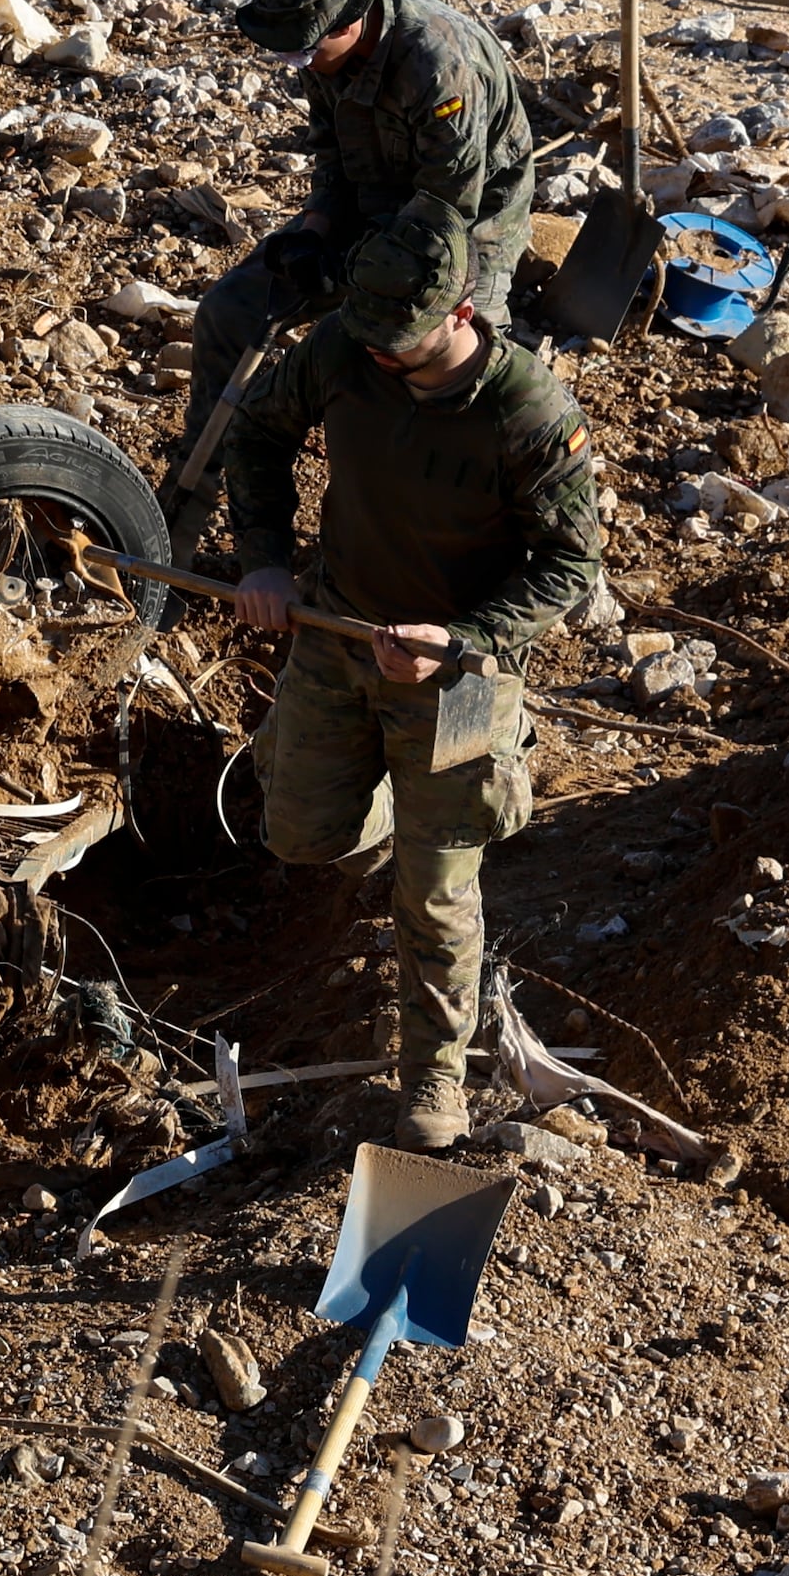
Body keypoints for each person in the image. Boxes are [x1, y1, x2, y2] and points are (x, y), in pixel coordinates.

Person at [216, 289, 603, 1151]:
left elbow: (573, 566)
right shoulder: (347, 343)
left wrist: (460, 640)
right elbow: (258, 432)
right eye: (376, 343)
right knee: (301, 832)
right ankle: (401, 813)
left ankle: (434, 1074)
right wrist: (266, 563)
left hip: (461, 675)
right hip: (338, 632)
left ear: (461, 311)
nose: (385, 358)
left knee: (433, 891)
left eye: (405, 344)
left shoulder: (529, 409)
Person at [178, 0, 538, 533]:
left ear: (348, 24)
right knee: (229, 313)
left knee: (436, 370)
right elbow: (332, 156)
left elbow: (447, 204)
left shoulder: (438, 64)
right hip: (373, 200)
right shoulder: (323, 51)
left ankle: (449, 537)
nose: (299, 65)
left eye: (304, 52)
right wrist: (315, 238)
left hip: (467, 222)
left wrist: (361, 282)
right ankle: (187, 500)